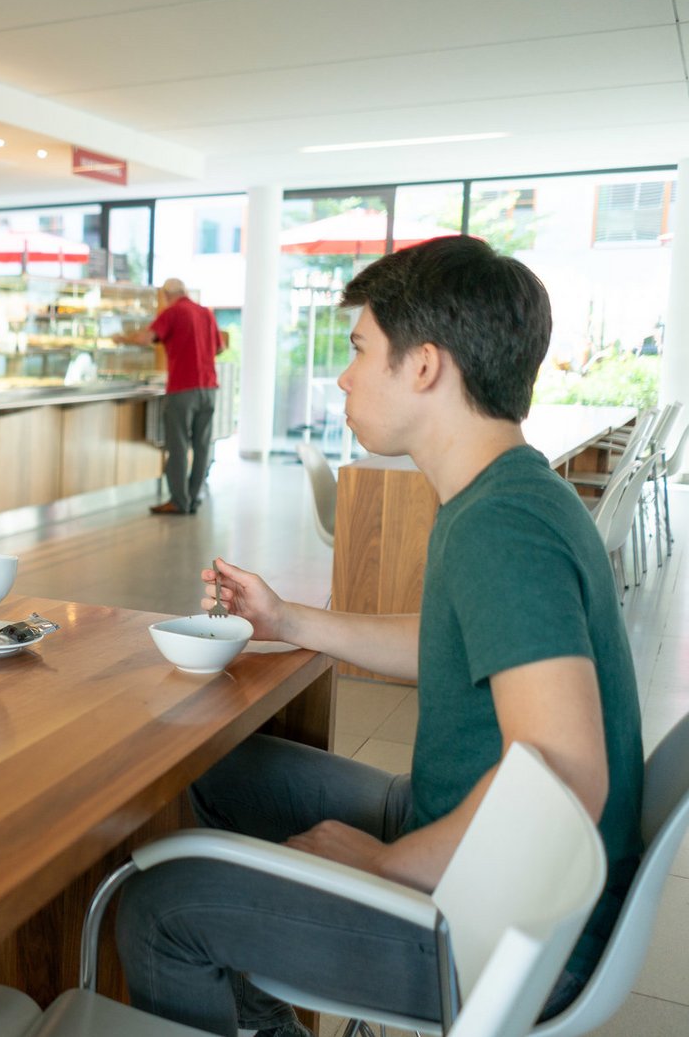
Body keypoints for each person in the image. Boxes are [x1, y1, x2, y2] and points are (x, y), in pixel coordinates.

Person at [114, 237, 643, 1037]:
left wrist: (385, 863)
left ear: (424, 366)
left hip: (503, 924)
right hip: (484, 846)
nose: (343, 375)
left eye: (360, 349)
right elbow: (454, 643)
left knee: (158, 910)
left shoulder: (501, 524)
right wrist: (288, 620)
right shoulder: (509, 490)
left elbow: (565, 779)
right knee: (218, 769)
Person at [147, 278, 227, 515]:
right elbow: (220, 348)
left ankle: (179, 501)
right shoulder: (205, 313)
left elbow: (148, 338)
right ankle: (194, 497)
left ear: (167, 294)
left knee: (178, 445)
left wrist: (122, 338)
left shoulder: (172, 312)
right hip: (209, 388)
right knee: (202, 445)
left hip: (183, 388)